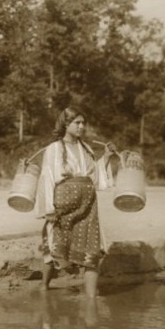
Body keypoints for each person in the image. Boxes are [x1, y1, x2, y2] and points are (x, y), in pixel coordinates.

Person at [36, 106, 118, 298]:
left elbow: (94, 177)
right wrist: (49, 209)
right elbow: (47, 178)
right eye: (77, 123)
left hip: (88, 207)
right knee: (55, 246)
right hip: (62, 207)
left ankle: (91, 300)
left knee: (91, 252)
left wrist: (106, 157)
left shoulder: (86, 148)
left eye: (83, 123)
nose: (82, 127)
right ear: (66, 124)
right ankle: (44, 287)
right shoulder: (54, 149)